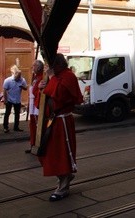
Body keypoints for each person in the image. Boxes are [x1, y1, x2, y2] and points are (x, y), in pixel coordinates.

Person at [38, 54, 83, 201]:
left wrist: (51, 79)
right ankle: (64, 177)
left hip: (62, 121)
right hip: (52, 121)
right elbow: (46, 97)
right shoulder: (55, 77)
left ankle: (63, 186)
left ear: (57, 65)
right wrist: (40, 88)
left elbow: (60, 94)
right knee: (47, 153)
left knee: (61, 154)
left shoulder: (68, 76)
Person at [26, 60, 44, 154]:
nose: (32, 67)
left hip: (37, 104)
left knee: (37, 126)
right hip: (33, 103)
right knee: (32, 125)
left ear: (38, 67)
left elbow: (38, 91)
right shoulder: (35, 77)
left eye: (34, 66)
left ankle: (38, 144)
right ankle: (32, 144)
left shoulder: (41, 77)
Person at [2, 65, 27, 133]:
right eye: (17, 78)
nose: (18, 79)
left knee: (17, 114)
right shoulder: (8, 80)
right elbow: (4, 90)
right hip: (9, 99)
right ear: (14, 75)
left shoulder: (22, 80)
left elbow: (26, 88)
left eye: (19, 78)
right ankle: (5, 127)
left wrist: (22, 87)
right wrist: (5, 99)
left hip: (17, 99)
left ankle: (16, 127)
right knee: (7, 113)